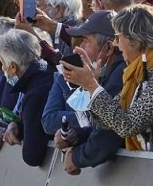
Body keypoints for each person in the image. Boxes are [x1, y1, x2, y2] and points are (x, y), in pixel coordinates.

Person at [62, 4, 153, 156]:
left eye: (118, 37)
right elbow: (107, 122)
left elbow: (128, 125)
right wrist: (92, 85)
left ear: (135, 39)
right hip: (152, 167)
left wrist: (92, 86)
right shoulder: (138, 70)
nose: (116, 44)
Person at [49, 11, 125, 174]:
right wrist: (78, 135)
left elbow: (110, 134)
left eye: (85, 41)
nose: (78, 48)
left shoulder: (121, 73)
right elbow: (102, 124)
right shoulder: (110, 72)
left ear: (109, 47)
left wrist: (76, 158)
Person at [0, 30, 53, 166]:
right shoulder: (47, 73)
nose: (3, 69)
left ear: (13, 67)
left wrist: (22, 135)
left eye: (3, 64)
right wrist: (18, 126)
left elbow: (32, 156)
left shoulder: (34, 94)